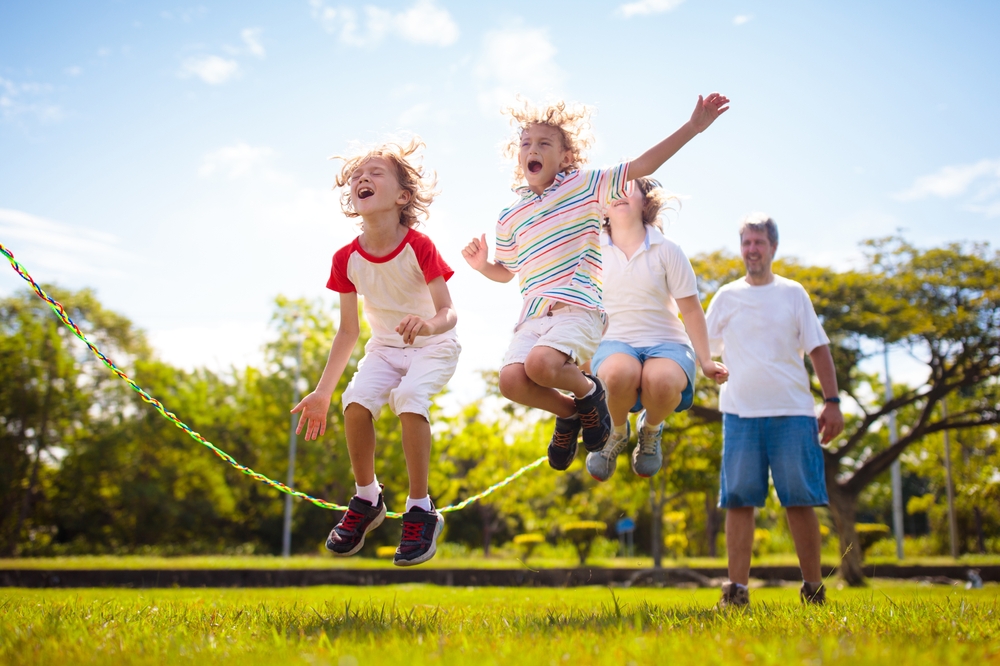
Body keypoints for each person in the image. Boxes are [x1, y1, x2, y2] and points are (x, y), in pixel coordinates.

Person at [462, 94, 730, 471]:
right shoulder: (510, 216)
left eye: (544, 143)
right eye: (525, 144)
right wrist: (481, 266)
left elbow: (642, 165)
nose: (531, 150)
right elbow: (506, 271)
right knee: (511, 381)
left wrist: (692, 128)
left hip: (579, 309)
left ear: (566, 157)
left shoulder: (585, 187)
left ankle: (592, 392)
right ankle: (572, 412)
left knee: (541, 364)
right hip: (535, 315)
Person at [292, 138, 459, 567]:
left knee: (408, 399)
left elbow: (448, 312)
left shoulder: (419, 246)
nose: (362, 178)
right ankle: (368, 499)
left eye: (375, 172)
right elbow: (348, 331)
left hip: (433, 345)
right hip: (384, 348)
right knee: (354, 403)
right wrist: (322, 392)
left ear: (403, 196)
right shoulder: (346, 259)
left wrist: (427, 325)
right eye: (355, 177)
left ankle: (421, 508)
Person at [705, 213, 844, 607]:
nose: (752, 249)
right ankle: (736, 591)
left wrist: (832, 403)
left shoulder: (793, 293)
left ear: (773, 248)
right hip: (739, 414)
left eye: (759, 242)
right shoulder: (726, 297)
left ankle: (813, 589)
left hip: (793, 412)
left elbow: (818, 349)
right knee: (738, 500)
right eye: (746, 242)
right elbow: (702, 346)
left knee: (799, 499)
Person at [585, 177, 729, 483]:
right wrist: (575, 358)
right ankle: (617, 431)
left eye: (629, 187)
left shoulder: (668, 250)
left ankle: (650, 430)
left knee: (662, 382)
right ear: (603, 206)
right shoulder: (591, 249)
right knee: (618, 374)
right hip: (614, 342)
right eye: (613, 189)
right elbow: (578, 306)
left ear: (645, 202)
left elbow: (690, 309)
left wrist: (705, 361)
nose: (620, 193)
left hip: (667, 344)